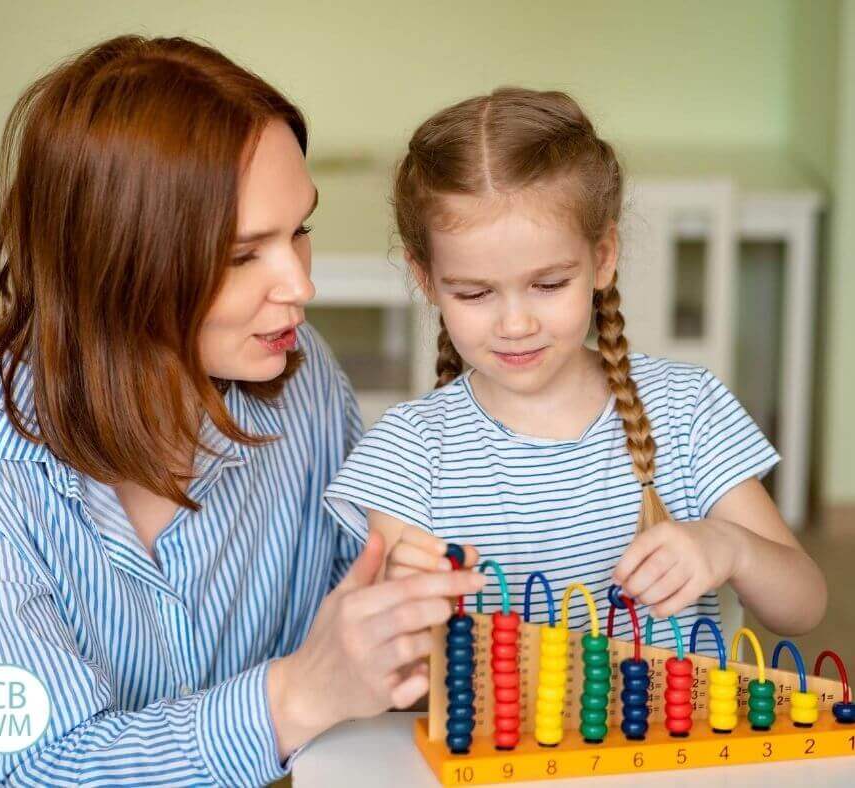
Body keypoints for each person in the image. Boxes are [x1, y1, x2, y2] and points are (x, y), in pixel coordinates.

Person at [0, 36, 484, 787]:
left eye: (300, 232)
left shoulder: (302, 379)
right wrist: (296, 695)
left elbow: (358, 622)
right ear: (119, 263)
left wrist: (404, 618)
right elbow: (36, 769)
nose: (299, 287)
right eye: (243, 255)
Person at [324, 88, 827, 653]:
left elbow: (804, 605)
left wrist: (731, 547)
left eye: (548, 284)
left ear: (603, 257)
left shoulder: (688, 410)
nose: (515, 323)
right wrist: (405, 607)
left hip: (672, 741)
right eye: (474, 293)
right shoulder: (408, 453)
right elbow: (389, 676)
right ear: (427, 280)